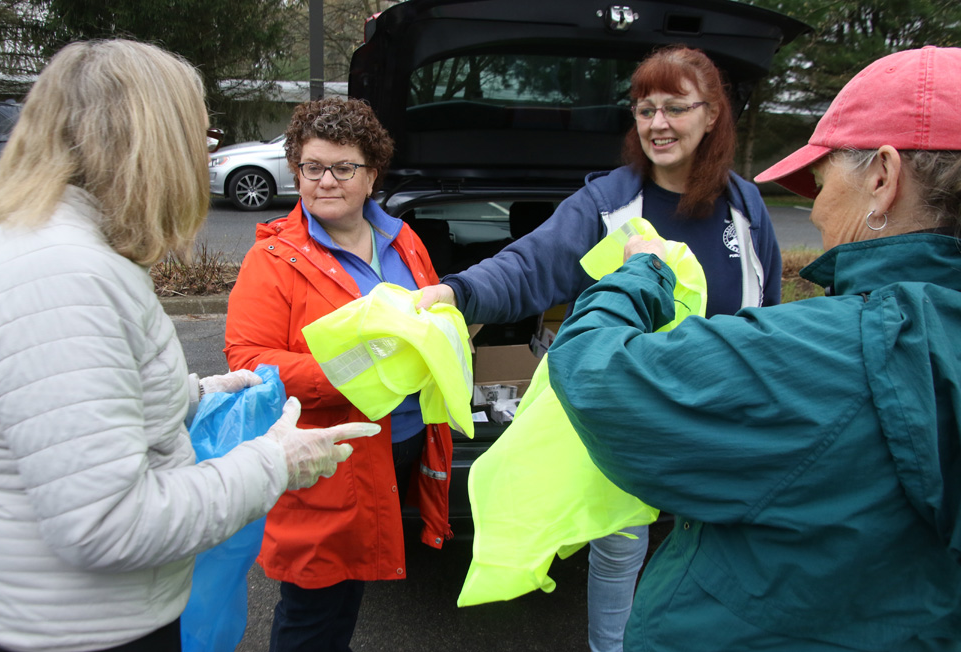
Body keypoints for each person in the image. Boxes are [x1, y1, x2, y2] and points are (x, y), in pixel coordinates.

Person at [0, 40, 378, 652]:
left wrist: (196, 394)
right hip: (87, 632)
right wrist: (275, 462)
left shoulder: (65, 251)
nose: (200, 153)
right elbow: (105, 524)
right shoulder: (59, 275)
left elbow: (84, 408)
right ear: (146, 142)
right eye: (196, 136)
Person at [548, 45, 961, 651]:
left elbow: (594, 374)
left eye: (820, 182)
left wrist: (638, 277)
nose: (815, 208)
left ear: (883, 177)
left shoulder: (833, 349)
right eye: (644, 109)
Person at [418, 45, 782, 652]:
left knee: (713, 547)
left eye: (675, 107)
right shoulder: (608, 205)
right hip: (633, 413)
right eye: (644, 110)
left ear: (713, 113)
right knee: (620, 545)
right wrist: (457, 293)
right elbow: (527, 267)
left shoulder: (746, 207)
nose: (658, 124)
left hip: (720, 415)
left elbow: (766, 310)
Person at [224, 96, 453, 652]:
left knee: (354, 589)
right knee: (313, 605)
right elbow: (248, 360)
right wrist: (355, 372)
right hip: (326, 453)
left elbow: (433, 314)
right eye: (311, 167)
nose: (325, 181)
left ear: (372, 173)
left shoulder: (403, 239)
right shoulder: (275, 259)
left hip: (400, 443)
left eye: (343, 167)